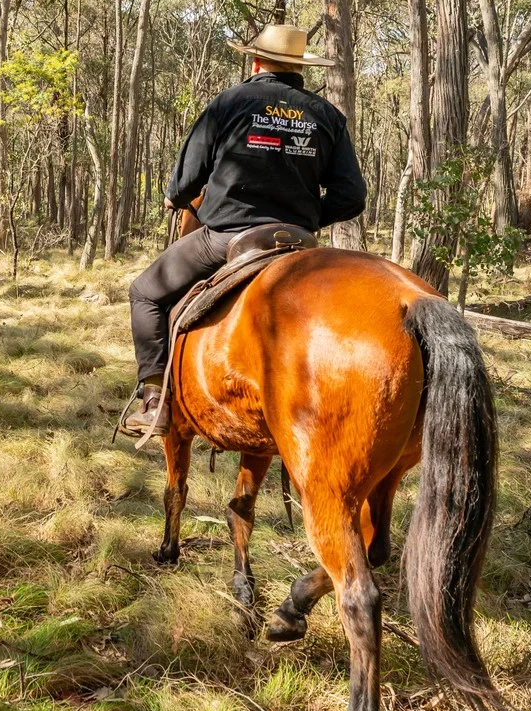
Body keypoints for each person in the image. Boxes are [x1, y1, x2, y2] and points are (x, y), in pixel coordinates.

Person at [118, 23, 367, 440]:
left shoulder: (229, 102)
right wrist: (305, 218)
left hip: (225, 238)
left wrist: (174, 196)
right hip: (298, 242)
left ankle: (155, 398)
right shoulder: (327, 116)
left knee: (144, 292)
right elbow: (352, 198)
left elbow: (186, 181)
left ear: (255, 61)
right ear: (299, 68)